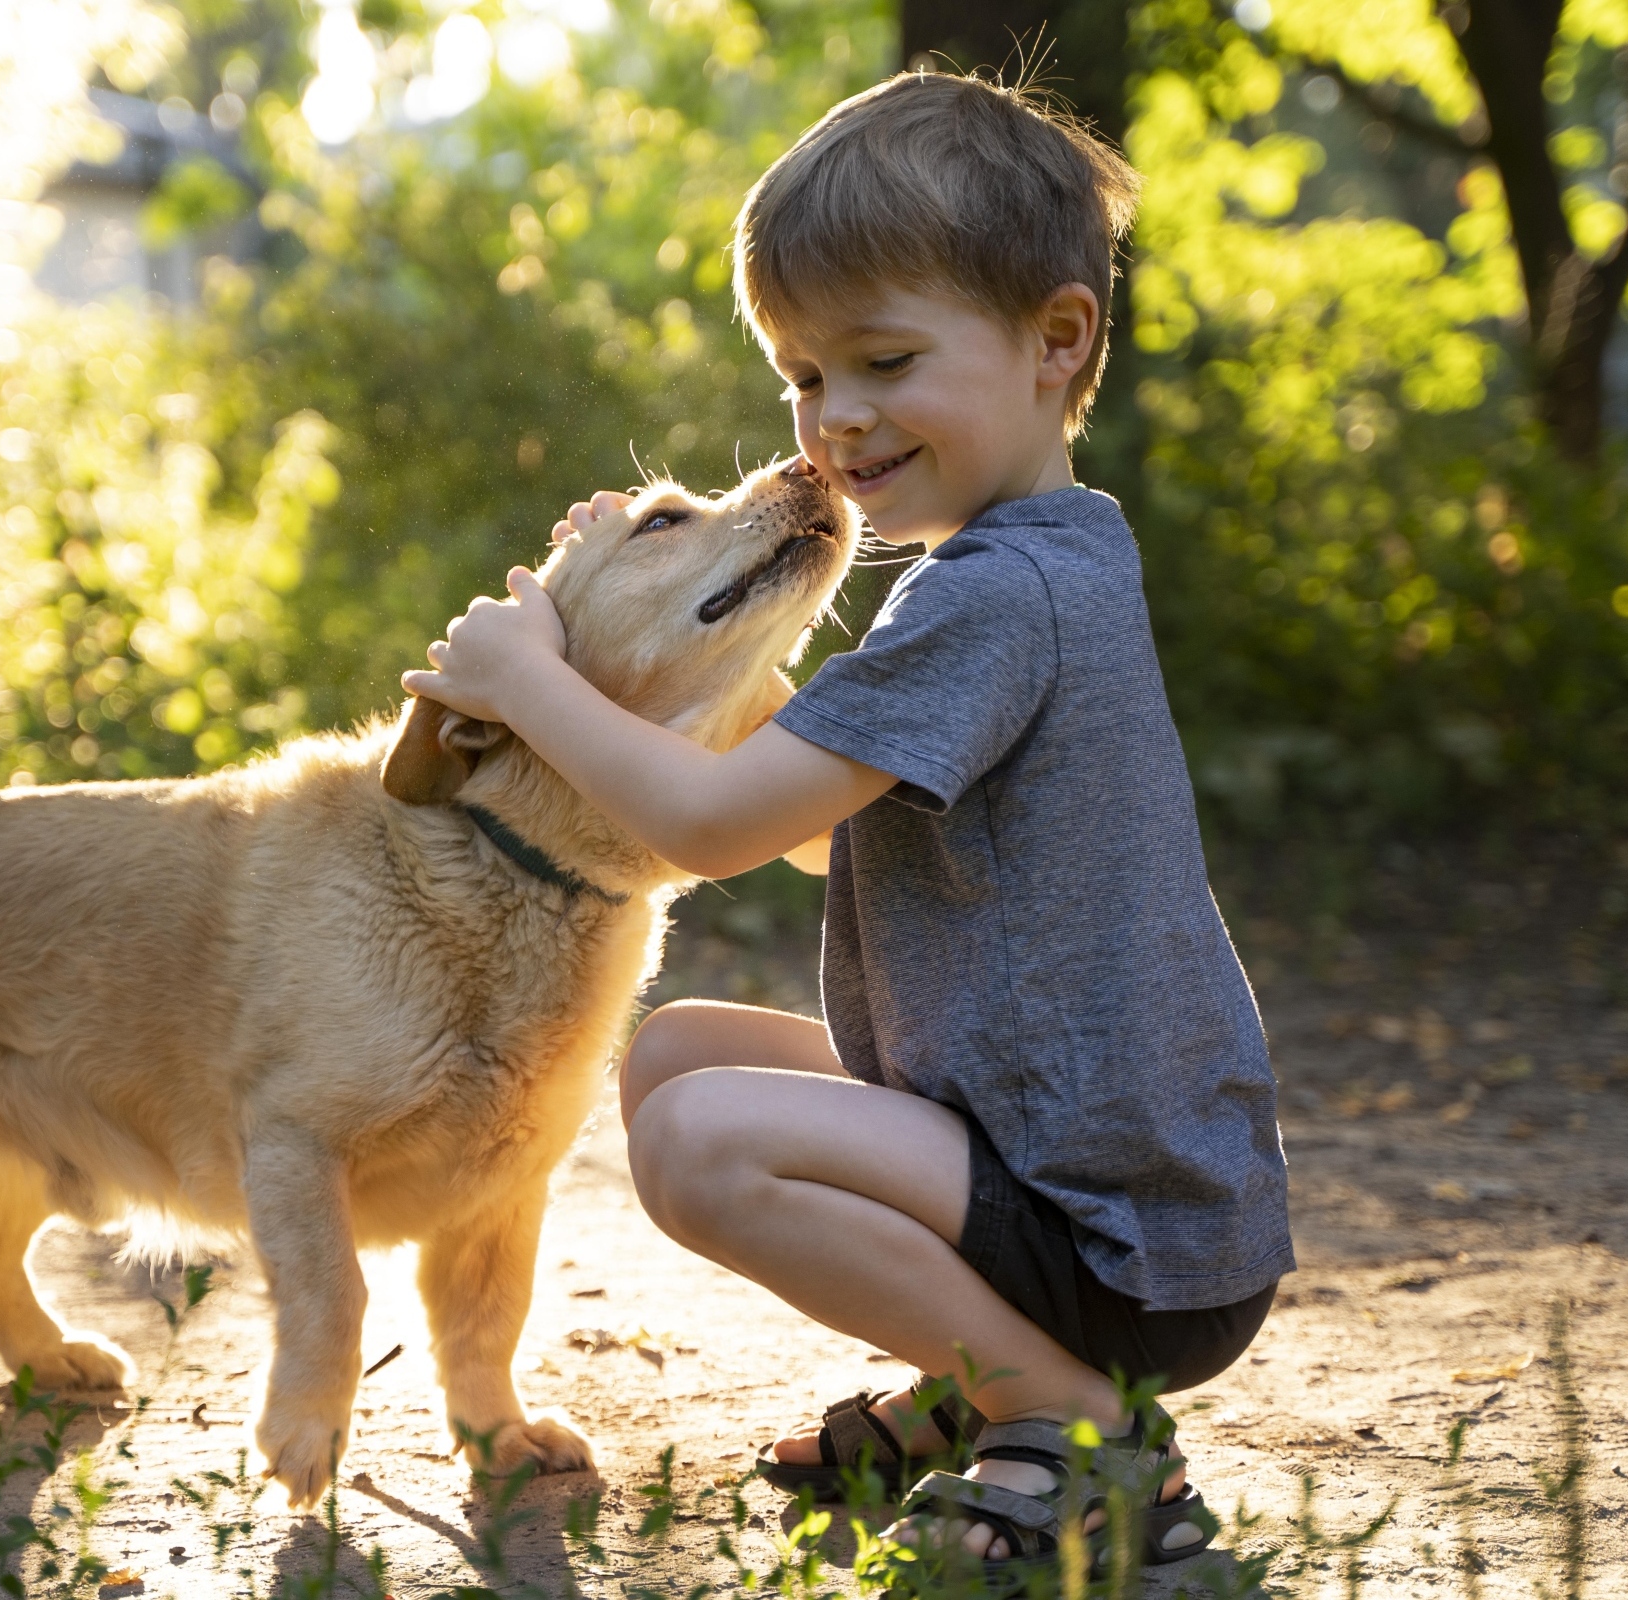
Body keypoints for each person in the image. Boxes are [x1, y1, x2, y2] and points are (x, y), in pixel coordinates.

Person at [401, 69, 1292, 1581]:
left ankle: (1071, 1420)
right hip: (1086, 1164)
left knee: (694, 1141)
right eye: (804, 378)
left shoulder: (996, 596)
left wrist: (534, 681)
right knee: (680, 1045)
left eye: (883, 360)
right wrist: (659, 620)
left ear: (1056, 339)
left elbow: (717, 832)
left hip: (1119, 1237)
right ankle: (986, 1386)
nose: (838, 420)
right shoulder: (1034, 562)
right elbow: (832, 828)